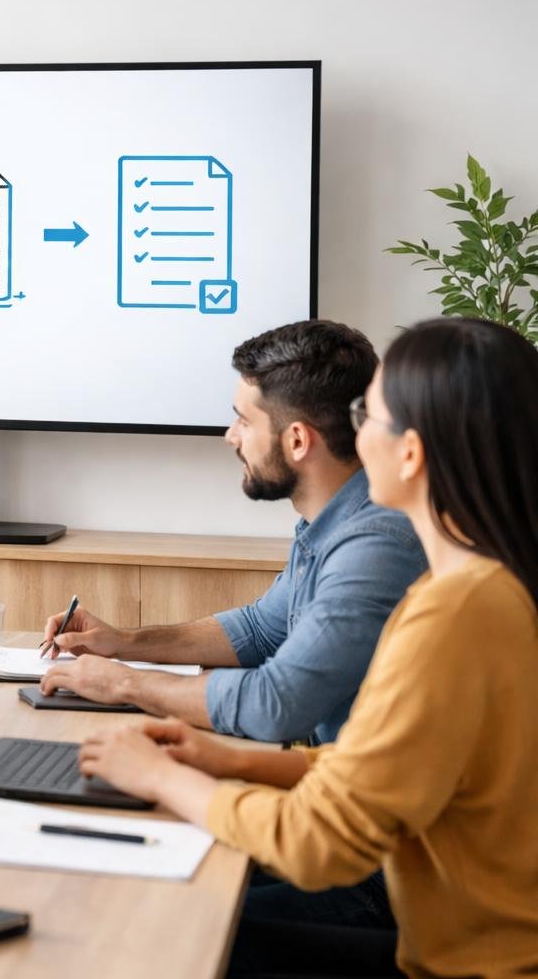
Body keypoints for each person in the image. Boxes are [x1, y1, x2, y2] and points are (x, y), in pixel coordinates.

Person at [80, 318, 538, 978]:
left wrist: (162, 777)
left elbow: (321, 841)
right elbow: (373, 773)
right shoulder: (486, 587)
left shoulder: (455, 611)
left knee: (166, 928)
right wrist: (228, 759)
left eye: (367, 414)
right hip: (463, 934)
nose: (353, 434)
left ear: (409, 453)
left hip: (457, 958)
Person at [40, 321, 425, 749]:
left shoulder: (377, 545)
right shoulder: (333, 523)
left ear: (297, 441)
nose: (230, 436)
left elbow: (279, 704)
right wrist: (124, 642)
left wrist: (127, 684)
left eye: (244, 420)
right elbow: (261, 630)